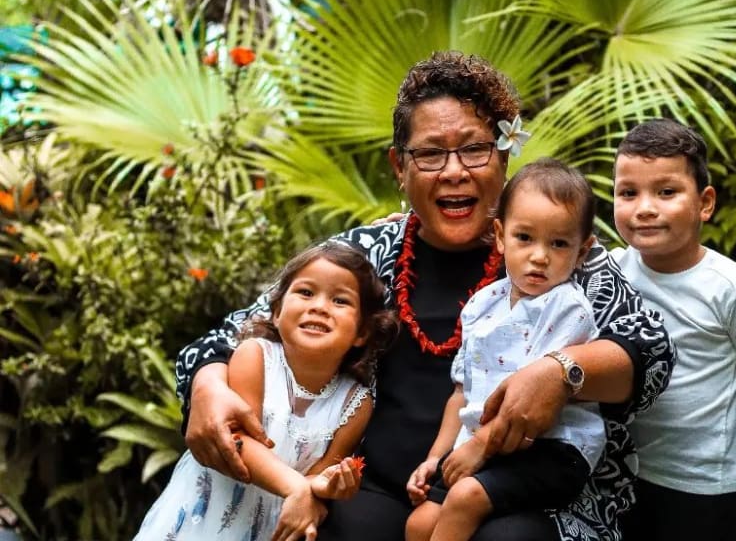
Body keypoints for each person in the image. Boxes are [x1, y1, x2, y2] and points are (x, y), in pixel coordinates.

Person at [174, 51, 674, 541]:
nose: (454, 171)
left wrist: (563, 372)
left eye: (475, 150)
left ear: (503, 157)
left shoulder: (554, 252)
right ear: (399, 166)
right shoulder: (363, 256)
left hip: (527, 490)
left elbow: (651, 351)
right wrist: (207, 387)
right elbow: (236, 332)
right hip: (377, 487)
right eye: (431, 154)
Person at [136, 241, 398, 541]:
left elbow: (321, 473)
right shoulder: (255, 357)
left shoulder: (354, 403)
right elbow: (238, 440)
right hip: (204, 513)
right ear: (276, 312)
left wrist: (327, 485)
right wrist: (296, 487)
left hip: (269, 526)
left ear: (362, 332)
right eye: (306, 292)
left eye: (340, 301)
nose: (319, 306)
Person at [405, 158, 606, 541]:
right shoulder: (482, 304)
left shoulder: (567, 308)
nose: (539, 256)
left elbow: (532, 405)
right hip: (484, 447)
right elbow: (461, 394)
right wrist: (436, 458)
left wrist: (480, 446)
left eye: (559, 243)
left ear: (582, 252)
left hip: (552, 451)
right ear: (500, 236)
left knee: (465, 498)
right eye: (524, 238)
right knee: (419, 523)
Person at [611, 119, 736, 541]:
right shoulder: (614, 271)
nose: (645, 207)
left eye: (666, 192)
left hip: (706, 487)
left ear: (705, 203)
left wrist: (720, 447)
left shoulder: (731, 288)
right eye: (628, 193)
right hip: (628, 476)